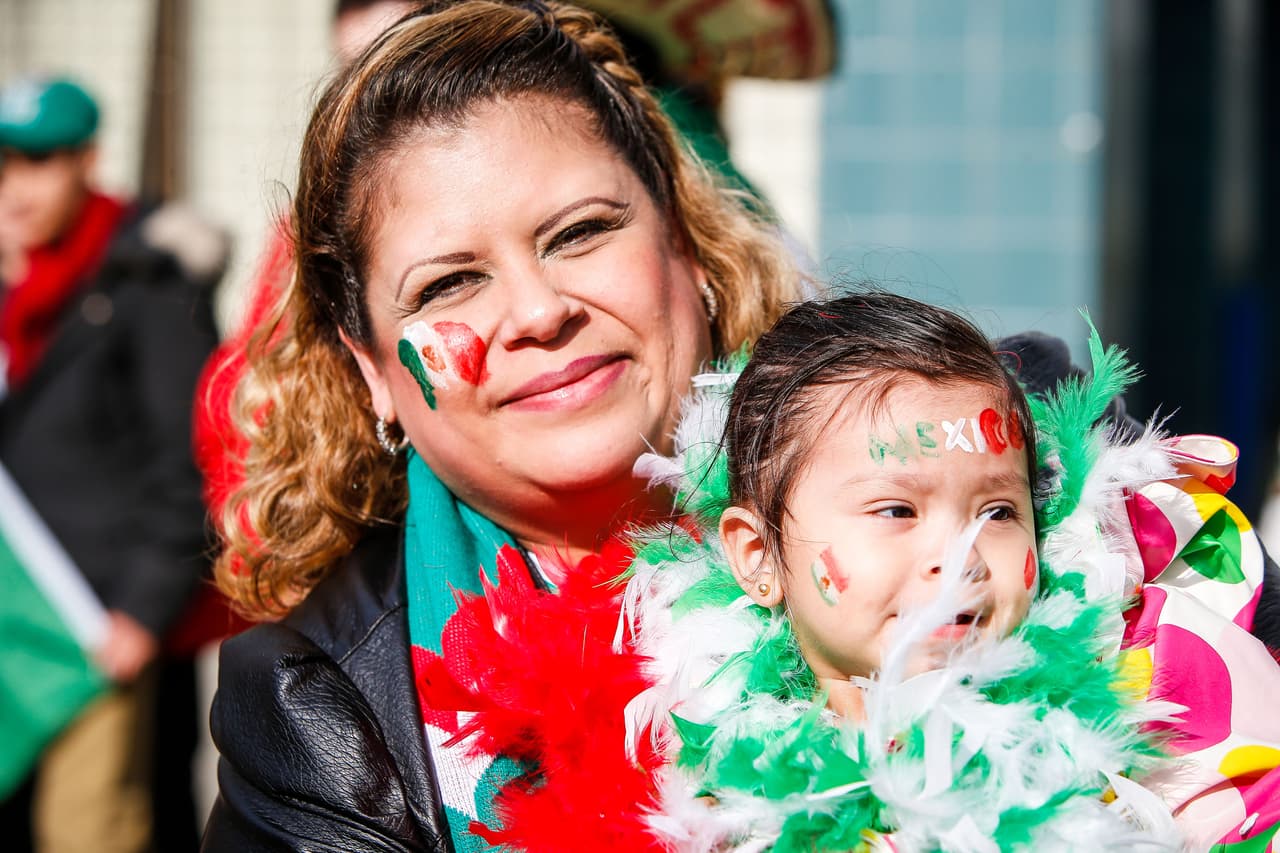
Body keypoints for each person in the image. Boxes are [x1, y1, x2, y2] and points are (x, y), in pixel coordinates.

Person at [200, 1, 799, 850]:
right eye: (447, 285)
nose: (539, 311)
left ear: (689, 251)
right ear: (373, 372)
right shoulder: (315, 705)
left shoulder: (955, 517)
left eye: (582, 232)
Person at [612, 293, 1280, 851]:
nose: (957, 555)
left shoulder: (1160, 686)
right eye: (897, 509)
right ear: (759, 557)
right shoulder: (711, 783)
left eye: (995, 511)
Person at [0, 76, 220, 852]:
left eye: (37, 160)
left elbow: (190, 457)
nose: (14, 186)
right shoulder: (14, 279)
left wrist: (138, 608)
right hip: (14, 622)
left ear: (86, 159)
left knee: (87, 832)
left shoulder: (144, 278)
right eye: (0, 163)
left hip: (93, 628)